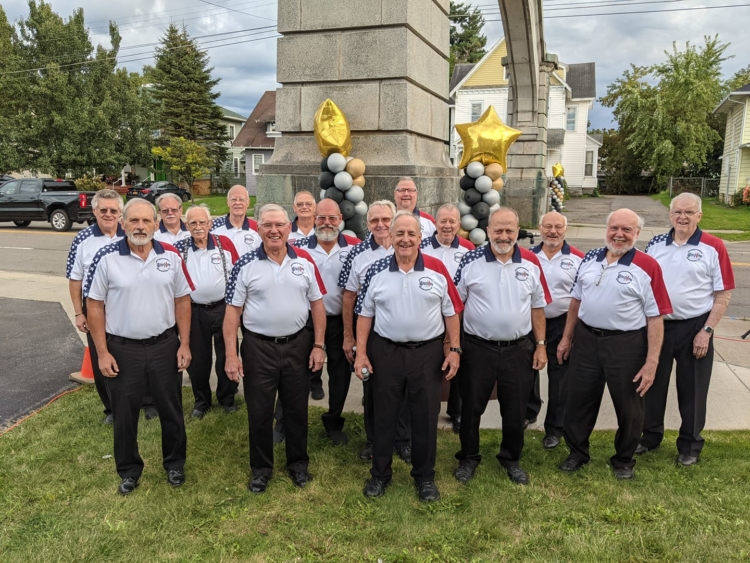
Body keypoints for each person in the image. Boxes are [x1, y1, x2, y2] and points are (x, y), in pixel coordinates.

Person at [84, 198, 194, 495]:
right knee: (124, 413)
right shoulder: (107, 258)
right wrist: (103, 352)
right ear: (123, 224)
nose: (141, 226)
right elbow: (94, 305)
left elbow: (182, 299)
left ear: (157, 225)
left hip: (164, 346)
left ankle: (174, 464)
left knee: (171, 409)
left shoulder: (170, 257)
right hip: (123, 350)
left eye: (147, 221)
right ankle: (129, 470)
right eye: (134, 221)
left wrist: (184, 343)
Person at [354, 211, 462, 502]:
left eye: (411, 234)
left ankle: (425, 477)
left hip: (426, 354)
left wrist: (454, 350)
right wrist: (361, 353)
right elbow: (364, 315)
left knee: (425, 417)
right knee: (384, 415)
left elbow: (452, 312)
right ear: (390, 237)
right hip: (385, 352)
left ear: (419, 238)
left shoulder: (437, 269)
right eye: (399, 234)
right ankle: (380, 474)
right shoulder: (376, 272)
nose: (405, 239)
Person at [557, 209, 672, 480]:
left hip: (626, 344)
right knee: (579, 399)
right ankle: (577, 453)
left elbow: (656, 318)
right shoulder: (590, 258)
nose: (619, 235)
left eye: (627, 230)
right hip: (586, 340)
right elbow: (576, 300)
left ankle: (623, 459)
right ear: (606, 229)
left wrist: (652, 361)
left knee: (629, 405)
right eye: (614, 228)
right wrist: (567, 337)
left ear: (637, 234)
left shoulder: (647, 266)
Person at [224, 204, 327, 494]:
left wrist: (318, 345)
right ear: (259, 230)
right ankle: (261, 469)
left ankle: (298, 465)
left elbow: (317, 304)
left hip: (297, 345)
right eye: (267, 225)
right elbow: (232, 313)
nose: (274, 230)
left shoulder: (305, 261)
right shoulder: (244, 265)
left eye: (279, 225)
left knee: (297, 409)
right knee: (259, 411)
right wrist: (231, 355)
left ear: (289, 228)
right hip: (259, 348)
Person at [453, 207, 550, 486]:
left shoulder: (531, 264)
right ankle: (468, 457)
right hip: (477, 348)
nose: (503, 236)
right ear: (488, 231)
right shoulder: (470, 261)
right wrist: (455, 345)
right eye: (498, 230)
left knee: (516, 408)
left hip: (519, 349)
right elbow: (455, 308)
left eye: (509, 230)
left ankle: (511, 459)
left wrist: (541, 345)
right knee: (471, 407)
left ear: (518, 232)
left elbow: (537, 309)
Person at [637, 193, 735, 466]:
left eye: (689, 212)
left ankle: (690, 445)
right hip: (659, 326)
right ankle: (650, 436)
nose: (683, 217)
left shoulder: (713, 246)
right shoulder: (656, 244)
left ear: (699, 216)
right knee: (651, 384)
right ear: (670, 215)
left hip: (695, 326)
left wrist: (707, 330)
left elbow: (723, 294)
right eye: (678, 212)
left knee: (692, 389)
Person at [338, 200, 411, 463]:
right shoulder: (357, 255)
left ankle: (403, 440)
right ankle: (374, 440)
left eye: (385, 219)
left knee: (403, 389)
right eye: (374, 220)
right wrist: (349, 336)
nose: (380, 225)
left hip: (404, 332)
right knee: (373, 389)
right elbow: (348, 297)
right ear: (367, 224)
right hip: (371, 332)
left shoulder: (412, 248)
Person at [291, 199, 361, 444]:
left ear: (341, 219)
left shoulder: (355, 248)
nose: (327, 223)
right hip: (306, 321)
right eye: (322, 218)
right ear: (313, 218)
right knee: (294, 372)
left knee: (340, 375)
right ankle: (284, 420)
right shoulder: (298, 249)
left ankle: (333, 421)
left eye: (332, 218)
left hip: (341, 322)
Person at [66, 189, 126, 424]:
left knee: (136, 355)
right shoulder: (82, 240)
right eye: (103, 210)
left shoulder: (130, 234)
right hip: (93, 306)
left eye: (113, 210)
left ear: (120, 212)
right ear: (94, 211)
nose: (108, 214)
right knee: (102, 354)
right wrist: (79, 312)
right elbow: (74, 278)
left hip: (125, 304)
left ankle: (147, 403)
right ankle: (111, 409)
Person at [175, 205, 240, 419]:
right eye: (193, 223)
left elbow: (239, 274)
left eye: (202, 222)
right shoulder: (179, 249)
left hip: (223, 308)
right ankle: (201, 402)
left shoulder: (225, 244)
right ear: (186, 225)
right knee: (198, 360)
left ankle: (227, 398)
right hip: (193, 312)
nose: (198, 227)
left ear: (210, 224)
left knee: (227, 354)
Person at [527, 211, 585, 449]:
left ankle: (555, 428)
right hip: (530, 321)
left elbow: (582, 296)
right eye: (548, 226)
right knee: (527, 371)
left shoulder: (580, 259)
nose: (553, 231)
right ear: (540, 228)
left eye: (558, 227)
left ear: (565, 230)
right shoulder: (527, 257)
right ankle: (528, 412)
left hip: (563, 322)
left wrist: (570, 334)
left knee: (560, 378)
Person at [419, 203, 475, 433]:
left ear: (459, 225)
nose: (447, 226)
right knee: (428, 364)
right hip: (428, 313)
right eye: (443, 221)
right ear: (435, 223)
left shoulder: (469, 249)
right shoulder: (421, 247)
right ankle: (427, 409)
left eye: (452, 221)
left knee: (458, 360)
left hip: (458, 314)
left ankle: (457, 411)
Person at [211, 185, 260, 256]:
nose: (237, 203)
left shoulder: (258, 228)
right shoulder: (214, 227)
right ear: (228, 202)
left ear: (248, 202)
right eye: (234, 199)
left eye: (241, 200)